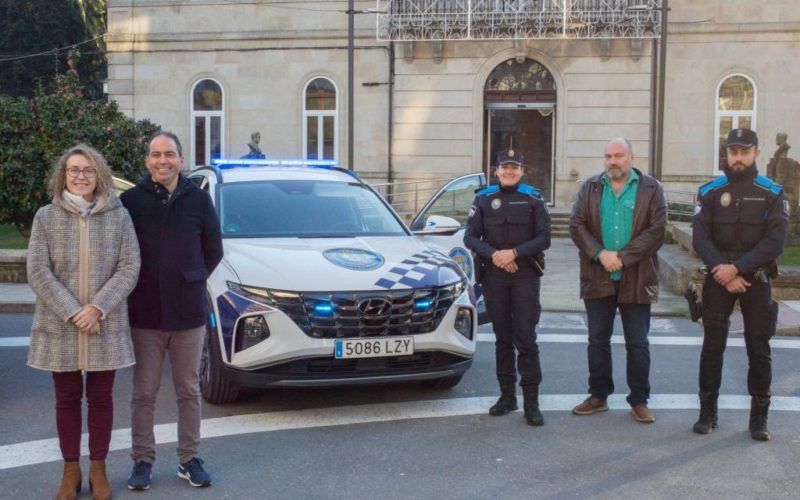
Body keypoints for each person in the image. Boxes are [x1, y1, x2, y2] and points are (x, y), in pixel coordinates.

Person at [27, 144, 141, 500]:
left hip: (103, 324)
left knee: (102, 398)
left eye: (88, 170)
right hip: (60, 324)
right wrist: (74, 310)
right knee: (66, 399)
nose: (80, 176)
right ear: (63, 175)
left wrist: (97, 308)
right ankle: (71, 470)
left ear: (99, 176)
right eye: (74, 170)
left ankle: (99, 468)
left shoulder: (119, 217)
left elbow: (129, 267)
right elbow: (37, 271)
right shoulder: (46, 217)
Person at [121, 132, 223, 490]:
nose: (161, 160)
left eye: (169, 154)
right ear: (147, 160)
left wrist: (190, 280)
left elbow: (214, 250)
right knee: (143, 392)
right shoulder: (130, 201)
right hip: (145, 314)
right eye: (154, 154)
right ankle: (143, 462)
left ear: (181, 159)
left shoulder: (199, 200)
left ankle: (189, 458)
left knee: (188, 390)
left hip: (187, 315)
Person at [692, 128, 788, 441]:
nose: (738, 158)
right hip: (718, 279)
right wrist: (724, 271)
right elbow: (700, 237)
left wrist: (738, 270)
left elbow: (775, 241)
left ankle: (759, 417)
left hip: (755, 279)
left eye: (744, 152)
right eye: (733, 151)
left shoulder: (772, 192)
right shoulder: (709, 191)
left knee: (758, 349)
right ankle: (708, 413)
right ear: (727, 153)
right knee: (711, 349)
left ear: (756, 153)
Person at [569, 137, 666, 423]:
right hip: (597, 275)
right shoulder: (590, 187)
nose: (613, 161)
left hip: (636, 276)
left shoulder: (651, 188)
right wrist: (600, 254)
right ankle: (598, 395)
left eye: (619, 155)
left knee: (637, 343)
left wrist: (621, 257)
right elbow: (576, 226)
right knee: (597, 340)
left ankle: (639, 400)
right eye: (608, 156)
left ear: (631, 158)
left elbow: (657, 231)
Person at [464, 148, 551, 426]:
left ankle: (531, 404)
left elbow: (544, 238)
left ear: (522, 170)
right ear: (497, 170)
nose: (509, 172)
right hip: (495, 277)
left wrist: (513, 254)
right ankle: (507, 397)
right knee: (503, 339)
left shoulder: (533, 198)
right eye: (505, 167)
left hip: (525, 275)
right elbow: (470, 237)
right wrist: (495, 256)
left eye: (515, 167)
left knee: (525, 338)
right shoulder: (483, 198)